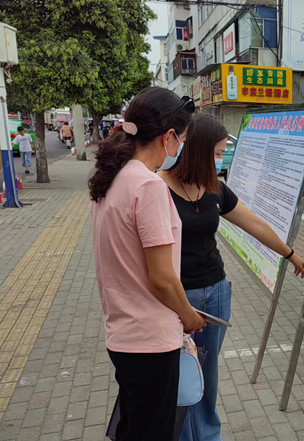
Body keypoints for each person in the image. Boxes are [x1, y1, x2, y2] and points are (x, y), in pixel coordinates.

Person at [159, 114, 304, 441]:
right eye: (218, 152)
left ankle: (208, 435)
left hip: (216, 294)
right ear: (199, 150)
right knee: (181, 375)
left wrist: (291, 254)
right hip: (178, 298)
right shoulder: (157, 188)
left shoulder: (214, 189)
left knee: (207, 373)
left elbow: (254, 224)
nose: (221, 159)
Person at [89, 87, 206, 441]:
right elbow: (162, 279)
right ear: (168, 137)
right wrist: (188, 316)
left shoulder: (112, 177)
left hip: (123, 335)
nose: (180, 148)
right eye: (181, 139)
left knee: (132, 428)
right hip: (151, 342)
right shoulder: (148, 186)